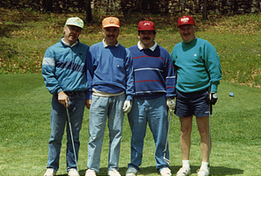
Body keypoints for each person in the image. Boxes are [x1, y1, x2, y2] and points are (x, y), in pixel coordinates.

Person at [171, 15, 222, 176]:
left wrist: (213, 90)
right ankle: (185, 165)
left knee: (203, 130)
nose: (185, 31)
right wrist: (171, 94)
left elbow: (214, 68)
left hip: (201, 94)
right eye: (182, 28)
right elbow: (172, 72)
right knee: (184, 130)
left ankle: (204, 165)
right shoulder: (176, 49)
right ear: (179, 30)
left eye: (188, 28)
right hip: (182, 94)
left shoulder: (205, 46)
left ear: (194, 28)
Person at [126, 20, 176, 176]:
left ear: (154, 34)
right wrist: (127, 97)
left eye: (149, 33)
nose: (146, 35)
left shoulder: (163, 53)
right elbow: (126, 76)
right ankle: (134, 165)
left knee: (161, 135)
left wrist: (170, 96)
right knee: (137, 135)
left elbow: (170, 76)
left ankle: (162, 164)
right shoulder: (130, 52)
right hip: (137, 100)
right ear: (138, 34)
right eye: (143, 32)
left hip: (158, 101)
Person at [85, 16, 134, 176]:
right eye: (108, 30)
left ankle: (113, 167)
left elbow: (130, 76)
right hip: (98, 96)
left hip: (119, 97)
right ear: (103, 31)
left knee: (116, 133)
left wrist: (129, 97)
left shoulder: (125, 52)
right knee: (95, 133)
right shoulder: (94, 49)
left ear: (118, 31)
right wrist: (88, 95)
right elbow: (89, 74)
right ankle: (92, 168)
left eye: (114, 30)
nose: (111, 33)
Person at [42, 17, 90, 176]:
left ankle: (72, 167)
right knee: (56, 134)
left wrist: (88, 95)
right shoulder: (52, 50)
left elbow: (90, 74)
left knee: (74, 135)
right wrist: (59, 91)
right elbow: (48, 74)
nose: (74, 32)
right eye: (71, 28)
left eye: (77, 29)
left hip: (79, 96)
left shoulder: (85, 50)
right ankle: (51, 167)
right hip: (59, 98)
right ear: (64, 28)